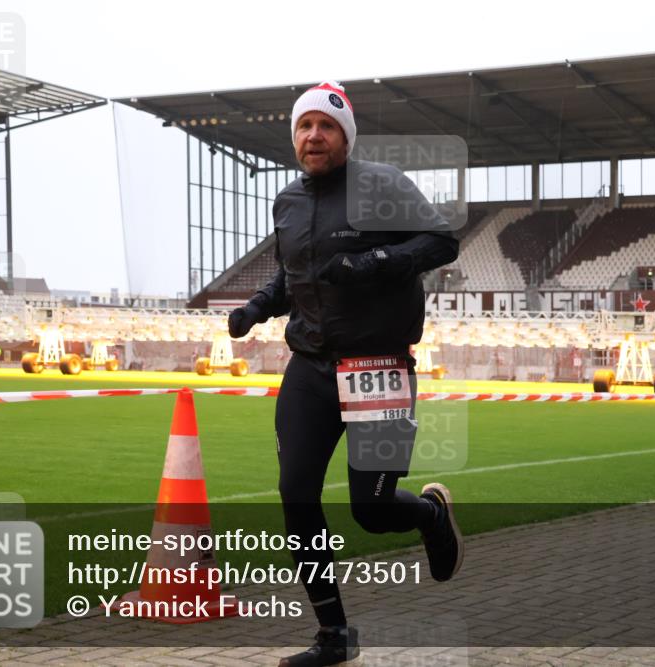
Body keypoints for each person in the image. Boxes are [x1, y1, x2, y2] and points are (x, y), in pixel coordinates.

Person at [228, 81, 463, 667]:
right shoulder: (287, 202)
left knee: (373, 509)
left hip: (378, 368)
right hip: (309, 367)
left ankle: (431, 515)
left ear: (345, 136)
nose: (314, 135)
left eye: (326, 126)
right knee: (295, 496)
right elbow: (294, 275)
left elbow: (442, 241)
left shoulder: (381, 184)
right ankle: (334, 636)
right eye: (304, 126)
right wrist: (259, 305)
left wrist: (375, 261)